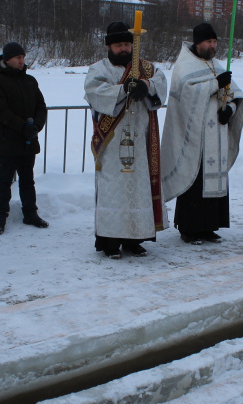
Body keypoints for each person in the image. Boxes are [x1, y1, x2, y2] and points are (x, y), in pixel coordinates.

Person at [84, 21, 168, 259]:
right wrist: (122, 90)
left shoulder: (146, 69)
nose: (124, 49)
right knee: (115, 190)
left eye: (127, 44)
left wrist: (145, 85)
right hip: (112, 143)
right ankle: (110, 243)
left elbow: (161, 82)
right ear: (109, 46)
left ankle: (134, 240)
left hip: (140, 140)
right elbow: (94, 92)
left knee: (138, 189)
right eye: (119, 45)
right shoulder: (98, 69)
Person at [161, 23, 243, 245]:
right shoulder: (184, 65)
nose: (213, 46)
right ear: (197, 43)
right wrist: (214, 85)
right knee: (195, 183)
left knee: (215, 183)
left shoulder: (216, 65)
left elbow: (234, 94)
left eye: (215, 42)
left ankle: (209, 227)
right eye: (209, 42)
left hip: (217, 136)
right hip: (195, 138)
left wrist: (229, 110)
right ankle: (189, 229)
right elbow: (187, 95)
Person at [0, 42, 48, 235]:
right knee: (4, 180)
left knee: (27, 179)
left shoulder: (30, 81)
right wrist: (22, 127)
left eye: (22, 57)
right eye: (17, 58)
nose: (21, 61)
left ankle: (30, 213)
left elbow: (41, 106)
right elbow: (0, 110)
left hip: (29, 139)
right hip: (8, 140)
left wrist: (36, 126)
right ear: (7, 59)